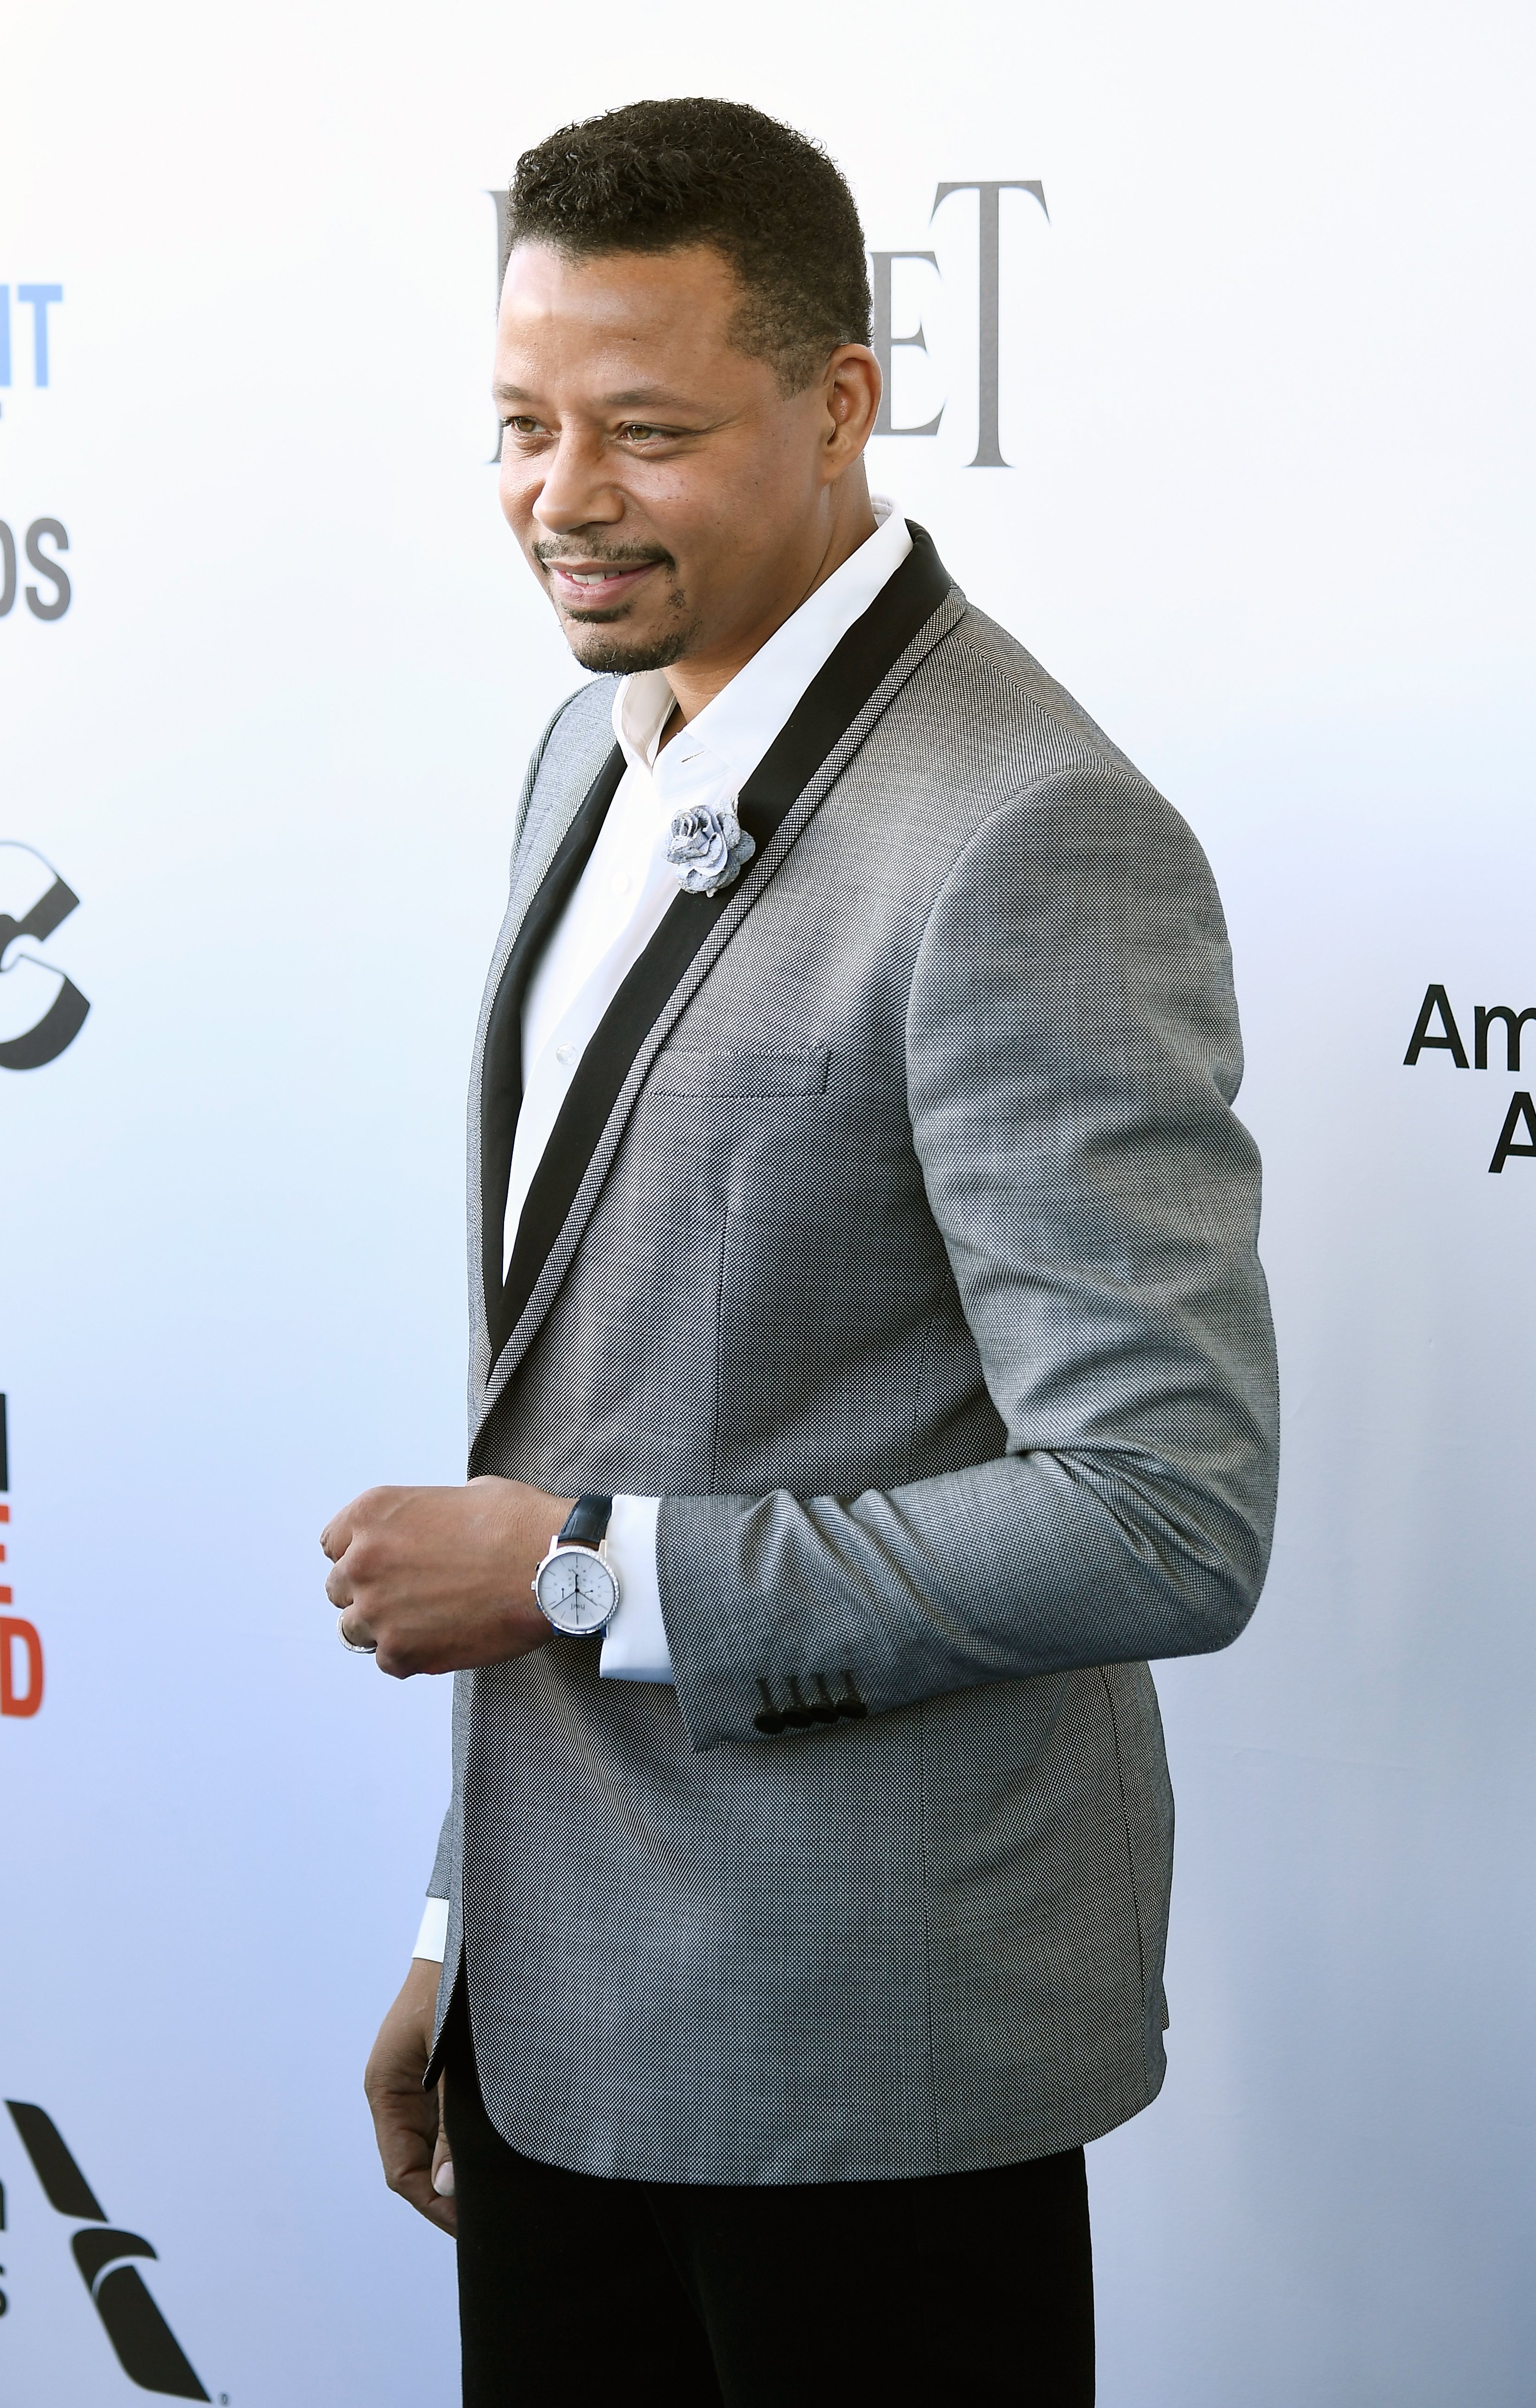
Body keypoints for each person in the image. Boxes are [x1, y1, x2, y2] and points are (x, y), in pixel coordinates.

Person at [321, 96, 1278, 2408]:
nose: (562, 498)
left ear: (838, 402)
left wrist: (571, 1571)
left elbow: (1164, 1518)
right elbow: (598, 1384)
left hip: (870, 2066)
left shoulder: (1031, 836)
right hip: (561, 2027)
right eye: (524, 425)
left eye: (643, 432)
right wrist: (472, 1923)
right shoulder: (585, 752)